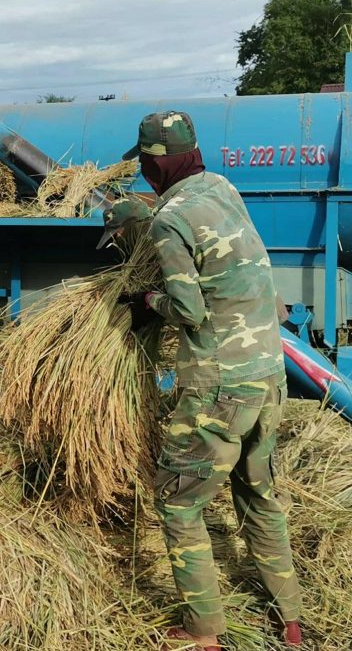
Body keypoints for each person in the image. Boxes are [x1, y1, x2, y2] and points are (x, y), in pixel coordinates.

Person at [122, 111, 302, 650]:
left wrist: (144, 301)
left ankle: (203, 632)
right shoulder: (223, 188)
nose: (145, 173)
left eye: (146, 163)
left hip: (221, 388)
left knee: (179, 503)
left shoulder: (169, 218)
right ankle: (290, 620)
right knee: (259, 493)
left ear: (156, 163)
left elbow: (189, 310)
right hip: (269, 375)